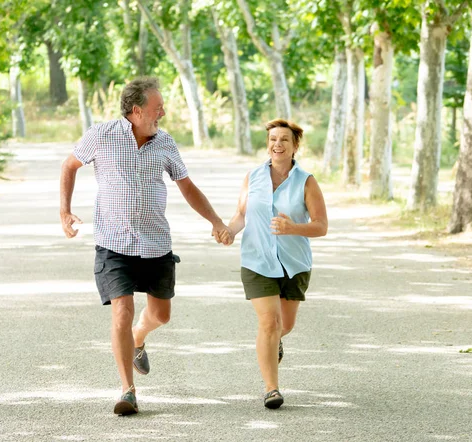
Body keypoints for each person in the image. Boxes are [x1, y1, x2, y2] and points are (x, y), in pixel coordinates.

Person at [60, 77, 230, 416]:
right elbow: (69, 166)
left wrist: (216, 221)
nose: (163, 113)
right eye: (157, 108)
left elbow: (187, 186)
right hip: (113, 243)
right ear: (136, 111)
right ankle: (128, 391)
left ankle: (140, 336)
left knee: (161, 315)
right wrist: (64, 211)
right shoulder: (101, 136)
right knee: (122, 309)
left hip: (155, 243)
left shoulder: (165, 143)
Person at [219, 118, 328, 409]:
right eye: (272, 140)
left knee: (284, 325)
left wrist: (294, 228)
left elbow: (321, 226)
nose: (277, 145)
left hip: (294, 262)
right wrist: (229, 230)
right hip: (256, 260)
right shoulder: (253, 176)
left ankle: (275, 341)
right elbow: (241, 214)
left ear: (294, 147)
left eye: (284, 140)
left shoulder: (306, 181)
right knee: (269, 322)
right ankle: (271, 389)